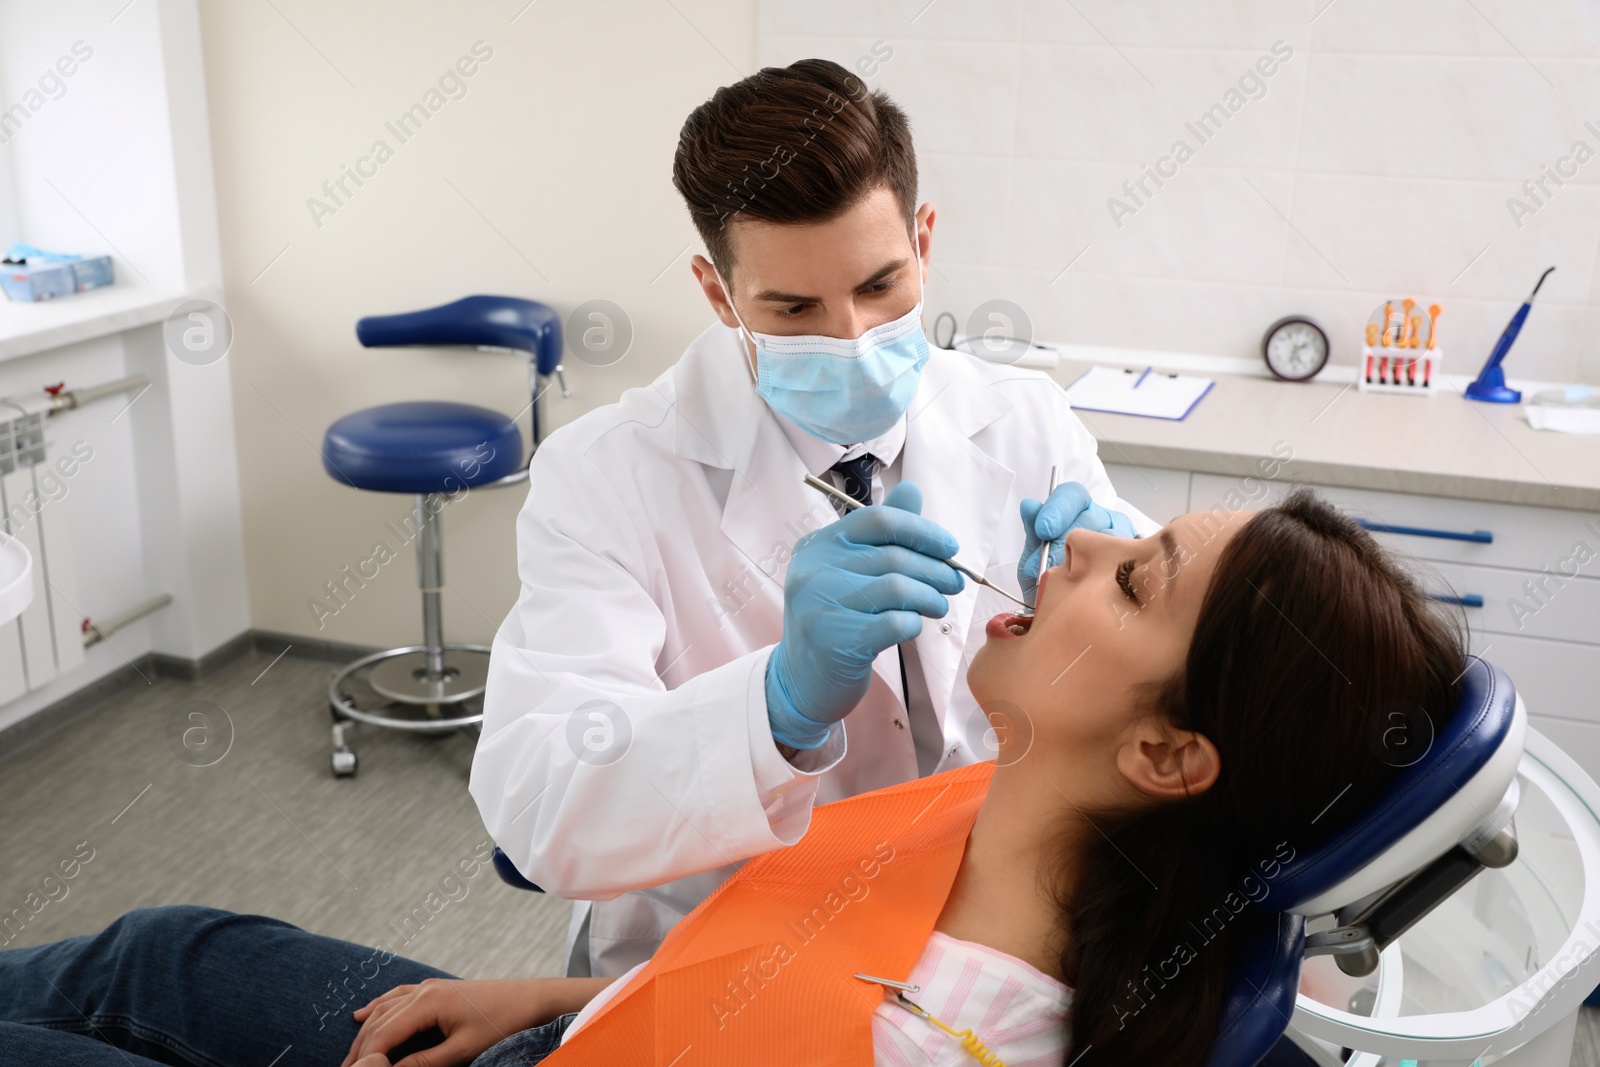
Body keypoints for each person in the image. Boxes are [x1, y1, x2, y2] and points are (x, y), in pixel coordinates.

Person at [0, 490, 1467, 1065]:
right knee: (161, 948)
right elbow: (779, 968)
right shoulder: (1010, 823)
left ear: (1165, 752)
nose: (1079, 542)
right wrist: (559, 995)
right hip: (579, 1039)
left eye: (1133, 576)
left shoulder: (939, 1038)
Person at [469, 56, 1152, 983]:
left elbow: (1180, 679)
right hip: (729, 964)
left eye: (881, 286)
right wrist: (776, 705)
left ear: (924, 239)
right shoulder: (606, 476)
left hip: (970, 945)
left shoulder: (1025, 422)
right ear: (719, 294)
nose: (853, 338)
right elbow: (538, 807)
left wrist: (1120, 581)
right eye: (794, 307)